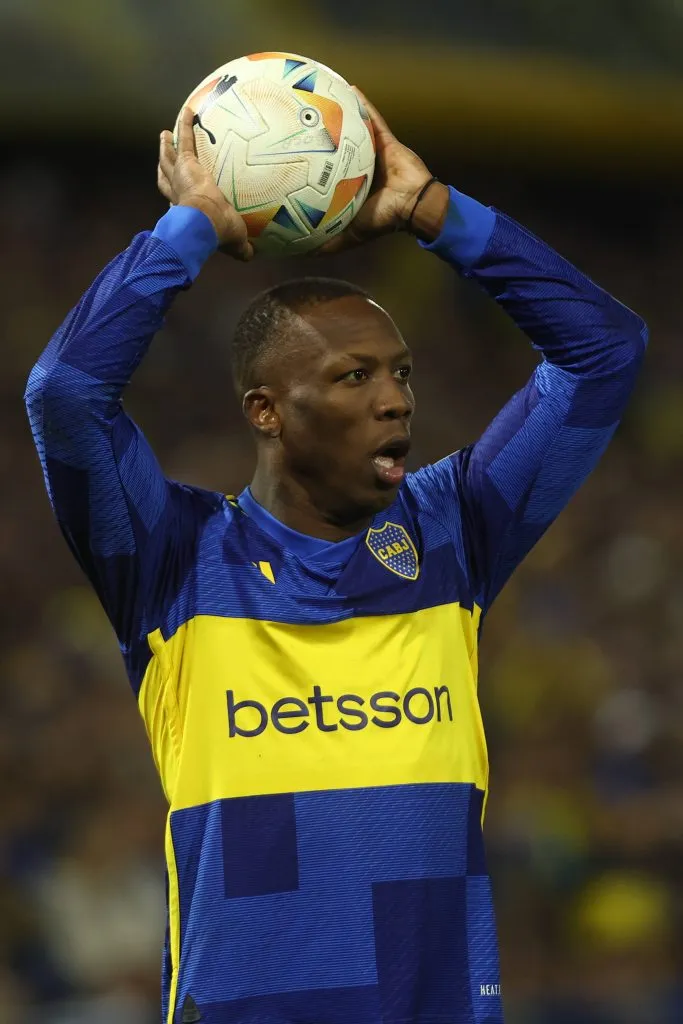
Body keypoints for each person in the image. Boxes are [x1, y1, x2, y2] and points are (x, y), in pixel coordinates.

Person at [25, 97, 647, 1024]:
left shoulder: (452, 531)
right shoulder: (172, 560)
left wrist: (436, 212)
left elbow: (603, 353)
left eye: (401, 373)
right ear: (266, 411)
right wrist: (189, 229)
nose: (395, 400)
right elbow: (67, 393)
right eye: (354, 377)